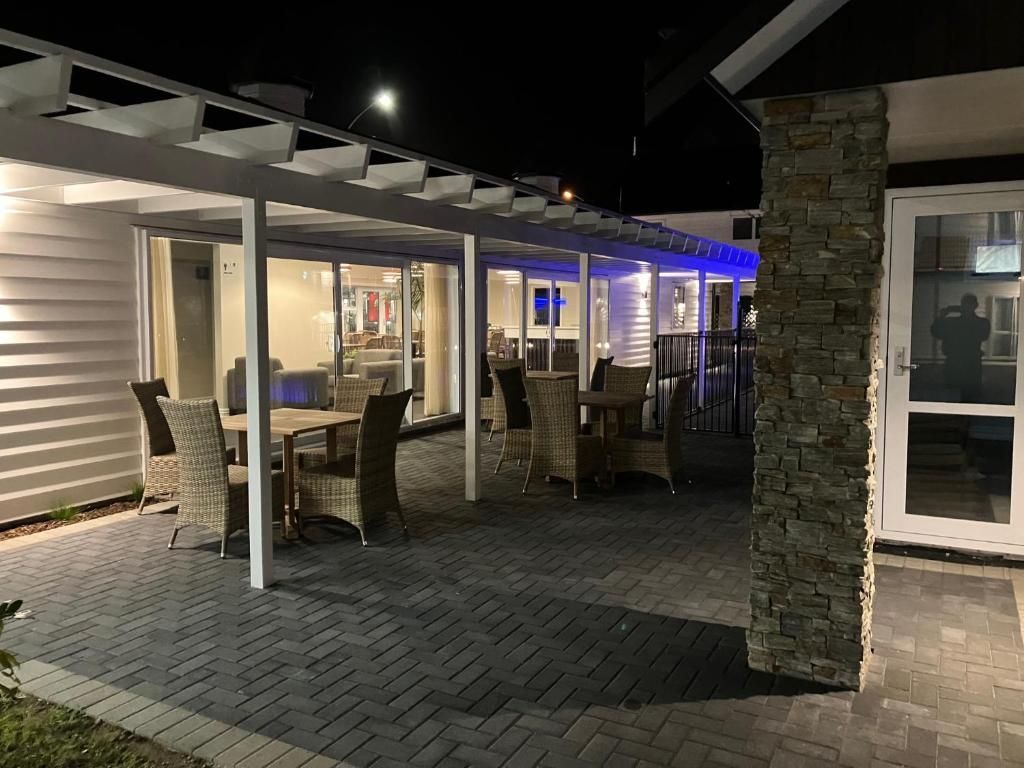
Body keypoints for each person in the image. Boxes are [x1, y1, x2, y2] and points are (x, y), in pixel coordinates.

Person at [930, 293, 990, 402]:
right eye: (965, 304)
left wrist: (943, 317)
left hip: (969, 364)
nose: (967, 307)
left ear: (975, 306)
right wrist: (941, 317)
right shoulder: (953, 322)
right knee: (954, 397)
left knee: (970, 397)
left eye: (969, 304)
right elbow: (936, 332)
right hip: (957, 363)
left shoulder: (980, 323)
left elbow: (983, 335)